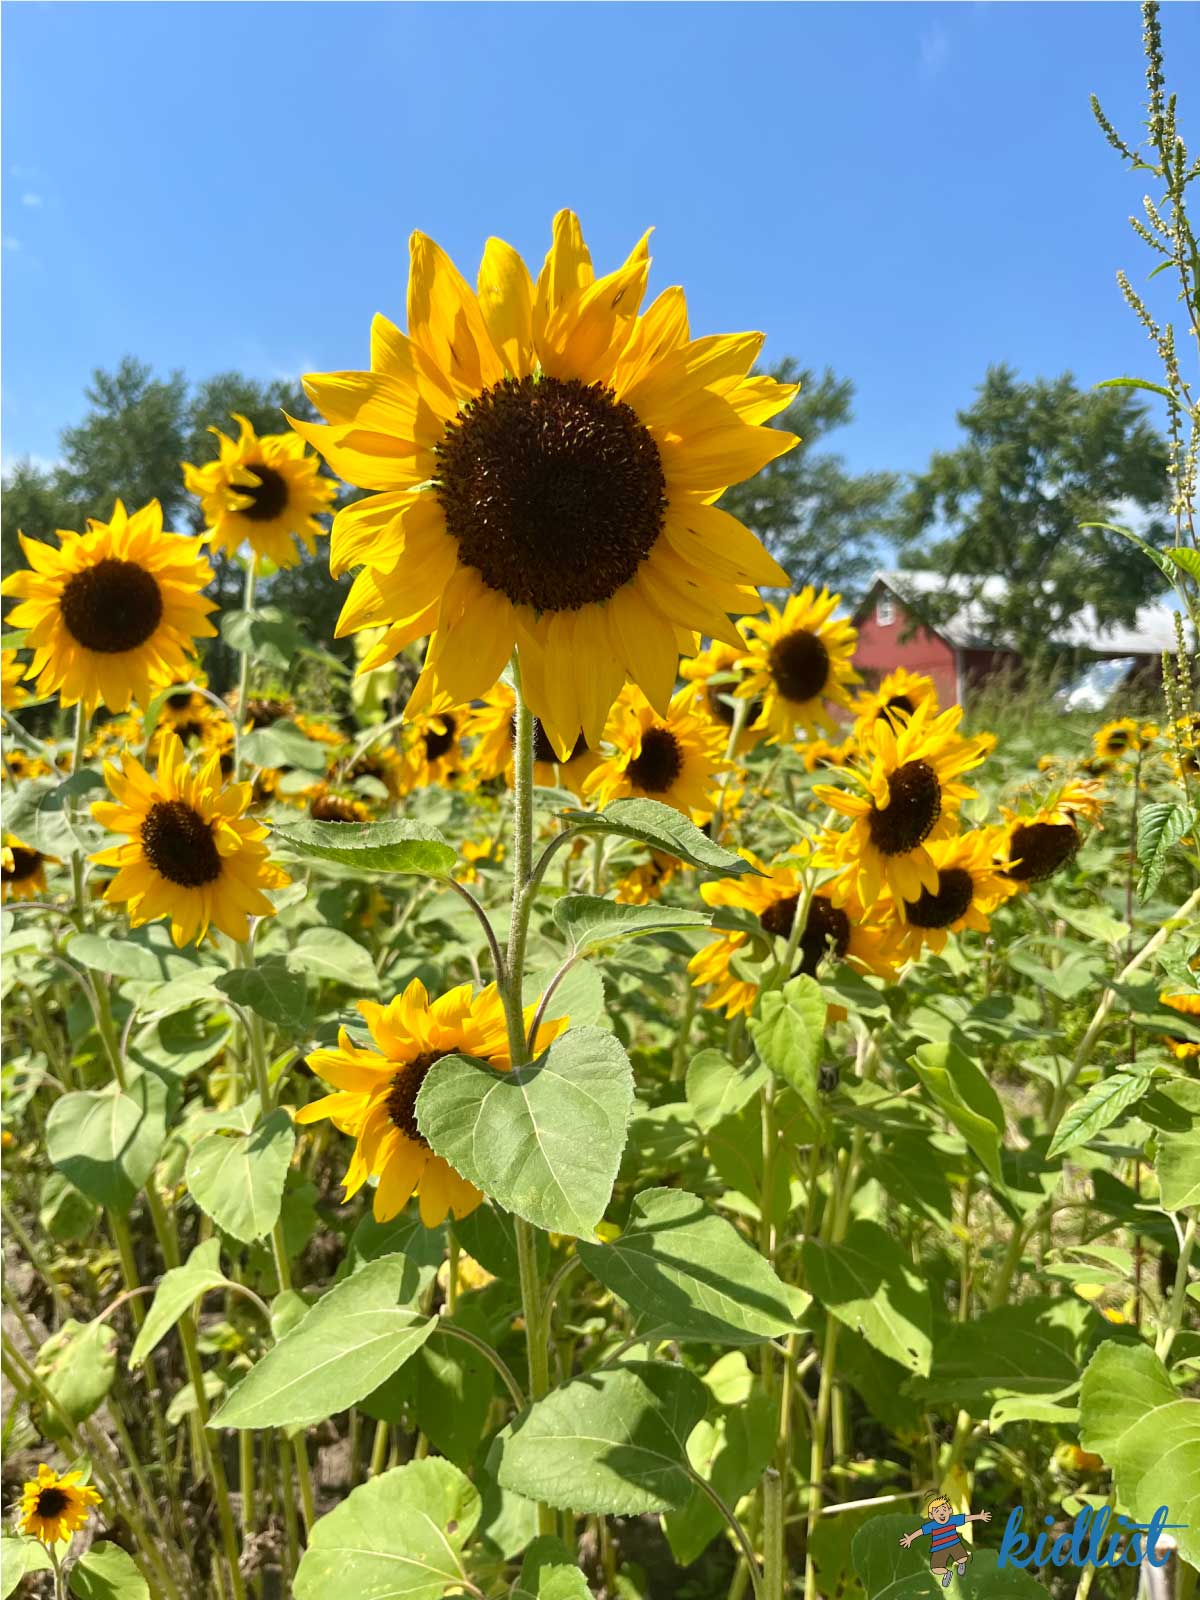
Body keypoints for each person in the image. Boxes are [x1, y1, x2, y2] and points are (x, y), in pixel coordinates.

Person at [899, 1495, 992, 1588]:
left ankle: (961, 1564)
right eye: (937, 1511)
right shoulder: (932, 1525)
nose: (941, 1513)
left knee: (962, 1558)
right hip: (939, 1548)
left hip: (954, 1544)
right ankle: (947, 1573)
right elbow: (921, 1531)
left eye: (944, 1510)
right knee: (936, 1568)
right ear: (931, 1515)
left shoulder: (952, 1520)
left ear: (949, 1511)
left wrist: (980, 1516)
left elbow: (966, 1518)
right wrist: (910, 1538)